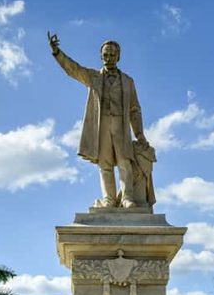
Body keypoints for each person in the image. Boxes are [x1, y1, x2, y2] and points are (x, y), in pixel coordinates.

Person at [48, 33, 152, 209]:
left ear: (118, 57)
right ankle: (109, 199)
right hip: (101, 124)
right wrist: (57, 52)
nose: (108, 58)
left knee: (125, 162)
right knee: (105, 164)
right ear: (100, 55)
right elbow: (73, 69)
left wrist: (139, 133)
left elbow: (135, 109)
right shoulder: (93, 76)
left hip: (120, 124)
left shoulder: (127, 81)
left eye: (112, 54)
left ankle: (127, 198)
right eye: (105, 54)